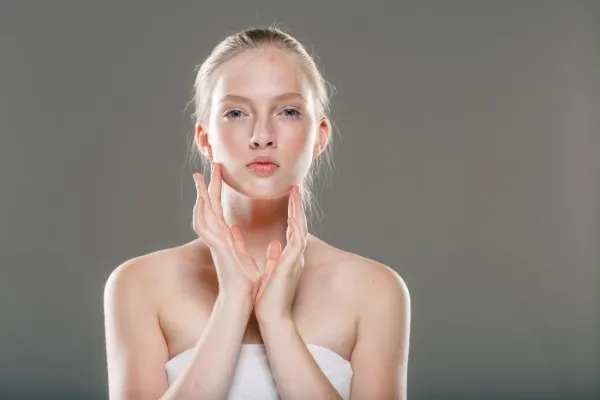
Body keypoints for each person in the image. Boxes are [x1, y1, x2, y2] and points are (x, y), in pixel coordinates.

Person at [103, 25, 411, 400]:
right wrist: (233, 300)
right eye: (235, 112)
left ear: (320, 136)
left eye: (288, 111)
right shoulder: (138, 284)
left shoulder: (375, 290)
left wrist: (276, 321)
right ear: (205, 139)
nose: (262, 135)